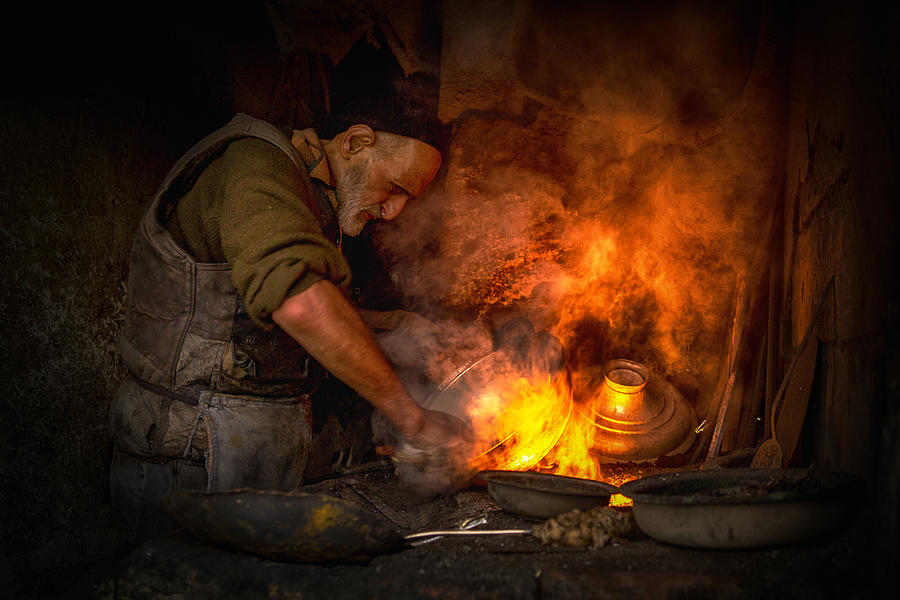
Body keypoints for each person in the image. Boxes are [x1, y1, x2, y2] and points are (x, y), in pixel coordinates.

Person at [108, 112, 473, 542]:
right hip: (193, 450)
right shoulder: (256, 164)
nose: (394, 211)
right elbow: (299, 303)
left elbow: (276, 300)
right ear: (356, 142)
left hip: (242, 446)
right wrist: (414, 422)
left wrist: (392, 326)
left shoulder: (304, 188)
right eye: (395, 189)